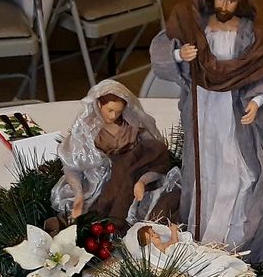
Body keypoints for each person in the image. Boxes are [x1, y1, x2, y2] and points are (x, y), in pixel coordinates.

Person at [149, 0, 263, 263]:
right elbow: (163, 50)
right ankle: (201, 230)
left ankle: (233, 239)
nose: (224, 6)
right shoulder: (193, 25)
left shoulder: (252, 34)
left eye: (231, 0)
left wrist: (258, 100)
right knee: (205, 168)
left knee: (238, 170)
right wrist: (179, 55)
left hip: (235, 116)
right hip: (202, 111)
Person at [52, 79, 173, 227]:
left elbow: (155, 157)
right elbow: (72, 166)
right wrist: (78, 195)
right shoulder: (86, 131)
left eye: (118, 111)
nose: (113, 116)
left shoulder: (132, 128)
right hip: (95, 181)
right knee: (89, 214)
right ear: (98, 104)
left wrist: (142, 181)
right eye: (110, 110)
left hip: (129, 175)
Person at [124, 221, 256, 277]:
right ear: (148, 244)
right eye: (152, 236)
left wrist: (173, 231)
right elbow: (167, 262)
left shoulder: (165, 244)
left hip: (191, 254)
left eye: (154, 232)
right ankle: (216, 271)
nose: (156, 235)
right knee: (203, 266)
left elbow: (174, 242)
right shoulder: (156, 253)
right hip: (185, 261)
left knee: (210, 255)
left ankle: (223, 264)